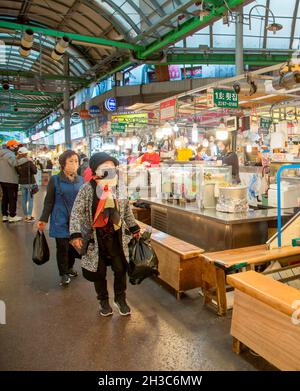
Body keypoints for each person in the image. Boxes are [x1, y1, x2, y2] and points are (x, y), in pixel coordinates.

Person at [69, 152, 140, 317]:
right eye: (105, 167)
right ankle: (103, 301)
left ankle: (120, 299)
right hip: (96, 238)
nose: (110, 169)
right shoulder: (87, 189)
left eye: (112, 166)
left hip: (116, 236)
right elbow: (76, 212)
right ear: (96, 169)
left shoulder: (119, 186)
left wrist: (134, 227)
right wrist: (75, 234)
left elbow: (126, 210)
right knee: (98, 272)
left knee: (121, 268)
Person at [38, 150, 84, 286]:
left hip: (75, 221)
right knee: (62, 247)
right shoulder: (55, 180)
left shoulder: (80, 179)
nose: (74, 164)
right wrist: (43, 219)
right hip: (60, 219)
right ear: (63, 163)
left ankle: (69, 268)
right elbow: (49, 201)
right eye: (71, 161)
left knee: (73, 247)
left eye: (76, 161)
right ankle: (63, 273)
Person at [0, 140, 23, 223]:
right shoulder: (9, 154)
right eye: (15, 146)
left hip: (2, 179)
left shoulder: (2, 154)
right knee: (12, 198)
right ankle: (12, 215)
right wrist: (24, 159)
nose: (17, 147)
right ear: (10, 146)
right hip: (11, 180)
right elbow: (14, 163)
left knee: (5, 197)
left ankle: (5, 215)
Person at [16, 147, 37, 222]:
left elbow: (17, 173)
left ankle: (25, 215)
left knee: (24, 199)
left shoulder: (17, 162)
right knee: (30, 199)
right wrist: (32, 162)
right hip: (29, 183)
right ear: (26, 154)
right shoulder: (29, 162)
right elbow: (35, 171)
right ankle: (29, 216)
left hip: (22, 183)